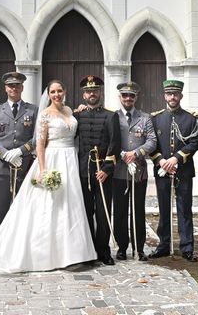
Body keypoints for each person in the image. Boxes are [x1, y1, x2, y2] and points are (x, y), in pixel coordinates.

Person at [0, 80, 97, 273]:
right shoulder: (44, 115)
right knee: (51, 207)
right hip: (53, 159)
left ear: (65, 91)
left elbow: (74, 128)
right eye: (53, 92)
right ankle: (47, 254)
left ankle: (74, 254)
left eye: (60, 90)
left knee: (71, 205)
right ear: (48, 94)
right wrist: (42, 170)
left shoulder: (70, 111)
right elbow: (39, 145)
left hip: (70, 161)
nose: (57, 94)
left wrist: (81, 109)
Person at [149, 79, 198, 262]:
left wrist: (176, 158)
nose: (172, 97)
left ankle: (187, 247)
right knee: (164, 208)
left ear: (181, 96)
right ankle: (163, 245)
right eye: (169, 94)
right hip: (162, 170)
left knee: (184, 209)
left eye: (176, 94)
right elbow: (151, 144)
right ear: (165, 96)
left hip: (183, 170)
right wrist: (162, 161)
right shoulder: (155, 118)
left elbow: (194, 143)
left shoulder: (191, 118)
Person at [74, 75, 121, 265]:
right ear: (83, 94)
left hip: (103, 172)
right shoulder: (77, 116)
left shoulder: (111, 116)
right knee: (85, 212)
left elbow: (115, 144)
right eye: (88, 91)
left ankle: (103, 251)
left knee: (103, 213)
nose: (91, 94)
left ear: (100, 92)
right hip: (83, 172)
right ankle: (88, 251)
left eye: (95, 90)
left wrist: (107, 169)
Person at [112, 81, 156, 261]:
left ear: (136, 97)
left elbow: (152, 141)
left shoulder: (145, 118)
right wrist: (122, 154)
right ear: (120, 97)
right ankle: (122, 248)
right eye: (125, 95)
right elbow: (109, 140)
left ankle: (139, 248)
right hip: (119, 171)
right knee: (120, 211)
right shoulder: (113, 117)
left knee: (137, 210)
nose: (128, 98)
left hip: (139, 172)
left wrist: (136, 153)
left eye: (131, 95)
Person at [0, 71, 38, 232]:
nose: (14, 88)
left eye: (17, 85)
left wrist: (21, 151)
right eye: (10, 86)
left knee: (24, 208)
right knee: (1, 208)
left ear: (22, 87)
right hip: (2, 168)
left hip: (24, 167)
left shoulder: (32, 110)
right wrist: (4, 154)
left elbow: (36, 138)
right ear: (5, 88)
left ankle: (21, 245)